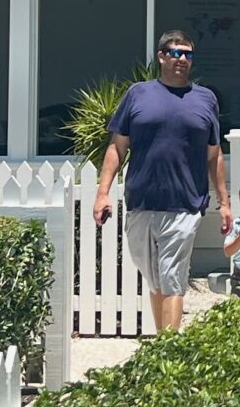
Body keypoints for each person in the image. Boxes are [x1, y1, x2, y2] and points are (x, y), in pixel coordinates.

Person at [92, 29, 229, 332]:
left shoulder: (206, 99)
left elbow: (213, 154)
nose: (182, 59)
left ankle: (171, 351)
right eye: (175, 52)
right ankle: (162, 345)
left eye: (187, 54)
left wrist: (224, 202)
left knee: (173, 279)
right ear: (161, 56)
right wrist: (103, 193)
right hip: (142, 202)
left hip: (185, 204)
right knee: (156, 279)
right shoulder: (137, 94)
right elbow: (117, 147)